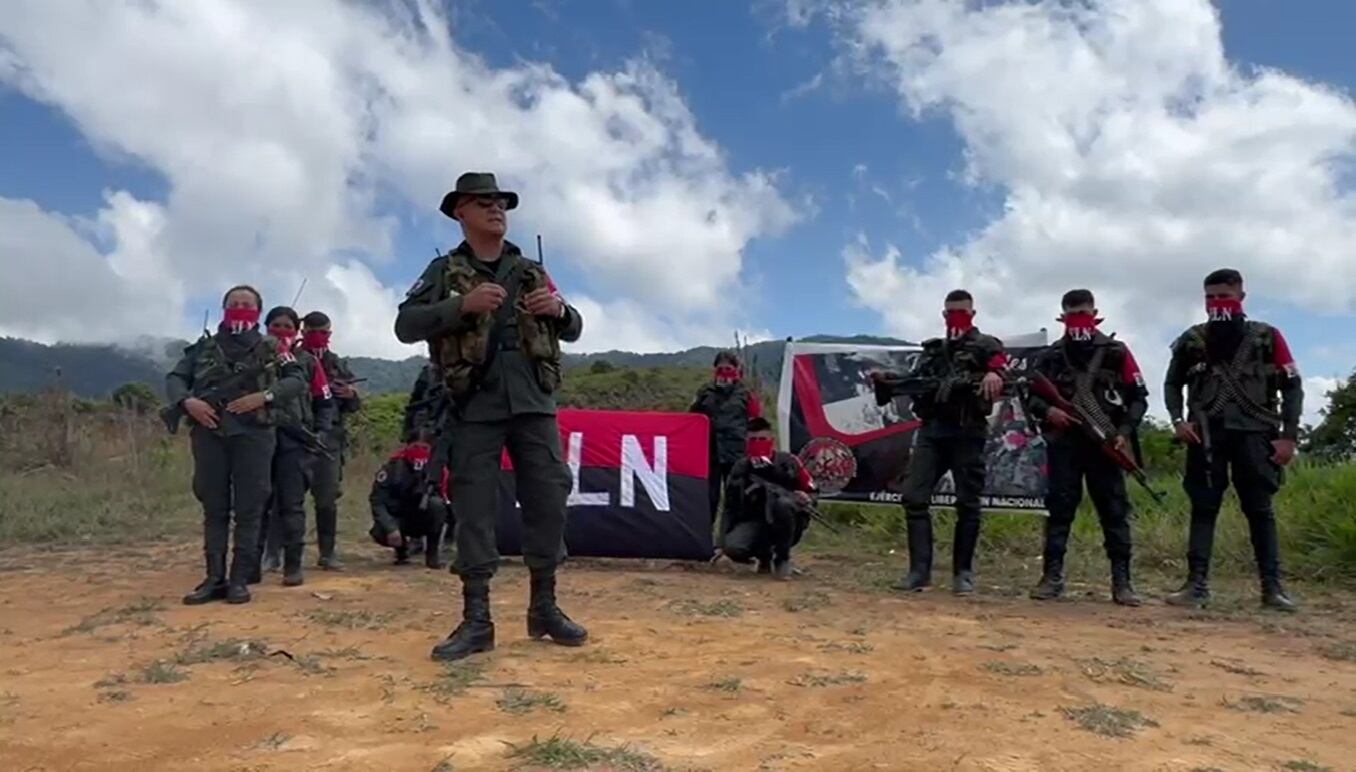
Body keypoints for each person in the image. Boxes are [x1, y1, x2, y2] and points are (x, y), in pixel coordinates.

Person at [395, 171, 587, 660]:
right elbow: (405, 324)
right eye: (483, 203)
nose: (496, 209)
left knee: (548, 498)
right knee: (474, 507)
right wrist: (462, 305)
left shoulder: (530, 270)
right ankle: (477, 619)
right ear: (460, 212)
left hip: (533, 402)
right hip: (474, 403)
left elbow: (574, 328)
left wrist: (558, 310)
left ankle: (544, 606)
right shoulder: (443, 271)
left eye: (500, 202)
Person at [1163, 269, 1303, 612]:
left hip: (1255, 434)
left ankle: (1272, 589)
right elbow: (1172, 384)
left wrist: (1288, 437)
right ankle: (1196, 586)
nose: (1216, 303)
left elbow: (1292, 387)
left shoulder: (1266, 336)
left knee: (1259, 510)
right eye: (1210, 297)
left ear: (1241, 297)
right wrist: (1178, 421)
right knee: (1203, 508)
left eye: (1223, 296)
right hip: (1206, 435)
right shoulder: (1192, 340)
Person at [166, 285, 306, 605]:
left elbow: (296, 380)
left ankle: (239, 579)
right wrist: (187, 402)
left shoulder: (272, 348)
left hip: (255, 434)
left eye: (246, 303)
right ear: (223, 308)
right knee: (214, 506)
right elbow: (175, 378)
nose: (239, 307)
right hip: (209, 433)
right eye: (233, 303)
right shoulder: (204, 347)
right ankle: (214, 578)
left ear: (258, 311)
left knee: (250, 507)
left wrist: (265, 396)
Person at [1024, 289, 1148, 606]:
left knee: (1114, 512)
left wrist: (1123, 433)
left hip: (1105, 444)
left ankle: (1122, 583)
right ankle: (1052, 578)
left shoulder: (1116, 352)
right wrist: (1049, 411)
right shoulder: (1051, 356)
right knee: (1059, 510)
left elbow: (1138, 398)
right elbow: (1031, 397)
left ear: (1095, 315)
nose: (1078, 321)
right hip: (1065, 444)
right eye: (1072, 315)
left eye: (1083, 314)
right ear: (1062, 318)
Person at [889, 289, 1008, 595]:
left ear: (972, 314)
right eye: (951, 313)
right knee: (914, 497)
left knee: (968, 503)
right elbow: (914, 378)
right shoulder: (933, 351)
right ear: (943, 315)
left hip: (968, 432)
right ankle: (919, 573)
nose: (956, 318)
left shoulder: (986, 345)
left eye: (962, 313)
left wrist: (994, 373)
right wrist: (887, 380)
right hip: (932, 431)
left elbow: (1001, 365)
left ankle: (962, 573)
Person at [257, 306, 335, 588]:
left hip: (295, 441)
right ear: (265, 327)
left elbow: (324, 401)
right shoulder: (253, 356)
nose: (281, 331)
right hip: (258, 438)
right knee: (258, 503)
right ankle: (257, 560)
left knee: (292, 504)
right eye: (275, 325)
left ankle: (293, 565)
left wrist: (321, 432)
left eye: (287, 326)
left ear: (296, 330)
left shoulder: (307, 362)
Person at [712, 417, 817, 579]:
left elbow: (812, 490)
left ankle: (782, 559)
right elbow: (730, 507)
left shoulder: (789, 462)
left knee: (783, 505)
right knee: (733, 547)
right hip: (753, 521)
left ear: (771, 440)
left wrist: (806, 498)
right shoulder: (741, 467)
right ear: (746, 442)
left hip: (786, 520)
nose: (758, 443)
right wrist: (721, 543)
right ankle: (764, 557)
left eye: (762, 439)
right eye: (753, 440)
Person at [299, 311, 362, 570]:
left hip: (330, 438)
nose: (318, 336)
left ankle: (327, 553)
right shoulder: (291, 357)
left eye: (323, 332)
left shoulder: (336, 364)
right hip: (295, 434)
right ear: (303, 331)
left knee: (326, 497)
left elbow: (354, 406)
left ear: (330, 333)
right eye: (312, 331)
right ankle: (277, 553)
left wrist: (350, 394)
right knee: (286, 496)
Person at [690, 351, 762, 527]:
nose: (724, 372)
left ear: (736, 369)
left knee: (736, 496)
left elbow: (756, 422)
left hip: (736, 452)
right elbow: (692, 418)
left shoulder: (746, 394)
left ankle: (732, 535)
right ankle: (705, 534)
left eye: (728, 368)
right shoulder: (704, 392)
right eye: (720, 368)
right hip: (710, 451)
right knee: (709, 496)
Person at [368, 429, 450, 569]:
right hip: (398, 517)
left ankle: (432, 555)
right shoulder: (392, 468)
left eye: (424, 448)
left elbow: (447, 498)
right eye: (416, 447)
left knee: (437, 506)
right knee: (380, 532)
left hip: (422, 517)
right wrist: (390, 527)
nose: (420, 451)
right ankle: (401, 550)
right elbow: (377, 500)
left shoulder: (437, 469)